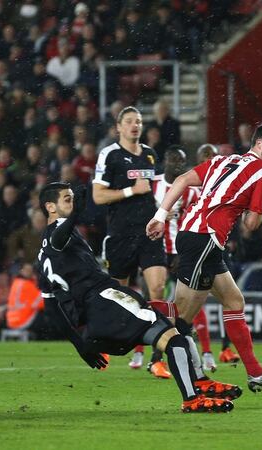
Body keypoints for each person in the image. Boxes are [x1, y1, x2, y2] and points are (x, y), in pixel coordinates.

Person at [38, 182, 237, 413]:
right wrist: (76, 215)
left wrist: (80, 344)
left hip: (96, 323)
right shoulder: (58, 234)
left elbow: (52, 307)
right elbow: (58, 238)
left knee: (177, 320)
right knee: (173, 337)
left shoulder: (42, 257)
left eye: (73, 198)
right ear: (50, 207)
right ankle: (192, 398)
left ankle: (201, 382)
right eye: (67, 199)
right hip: (106, 301)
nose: (73, 203)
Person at [147, 122, 262, 392]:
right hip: (204, 238)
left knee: (233, 300)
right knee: (181, 316)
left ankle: (254, 373)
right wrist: (261, 208)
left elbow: (181, 181)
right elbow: (251, 224)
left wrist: (159, 216)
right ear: (259, 144)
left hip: (198, 237)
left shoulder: (222, 160)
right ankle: (129, 313)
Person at [91, 106, 169, 373]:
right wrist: (129, 191)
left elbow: (158, 190)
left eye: (139, 121)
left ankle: (157, 359)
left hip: (149, 233)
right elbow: (98, 196)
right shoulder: (109, 155)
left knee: (158, 288)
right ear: (119, 127)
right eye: (130, 121)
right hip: (121, 235)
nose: (135, 125)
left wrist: (165, 212)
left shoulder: (149, 154)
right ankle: (104, 344)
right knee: (116, 295)